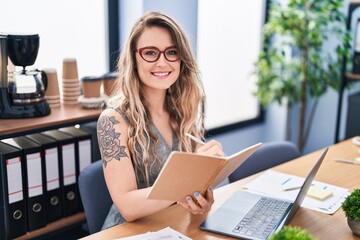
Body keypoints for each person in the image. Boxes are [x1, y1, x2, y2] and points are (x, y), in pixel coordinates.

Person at [97, 11, 224, 230]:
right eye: (150, 53)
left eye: (172, 52)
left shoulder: (184, 109)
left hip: (172, 226)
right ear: (134, 58)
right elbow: (127, 206)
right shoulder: (113, 120)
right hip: (127, 232)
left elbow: (190, 188)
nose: (162, 62)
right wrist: (189, 179)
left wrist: (201, 198)